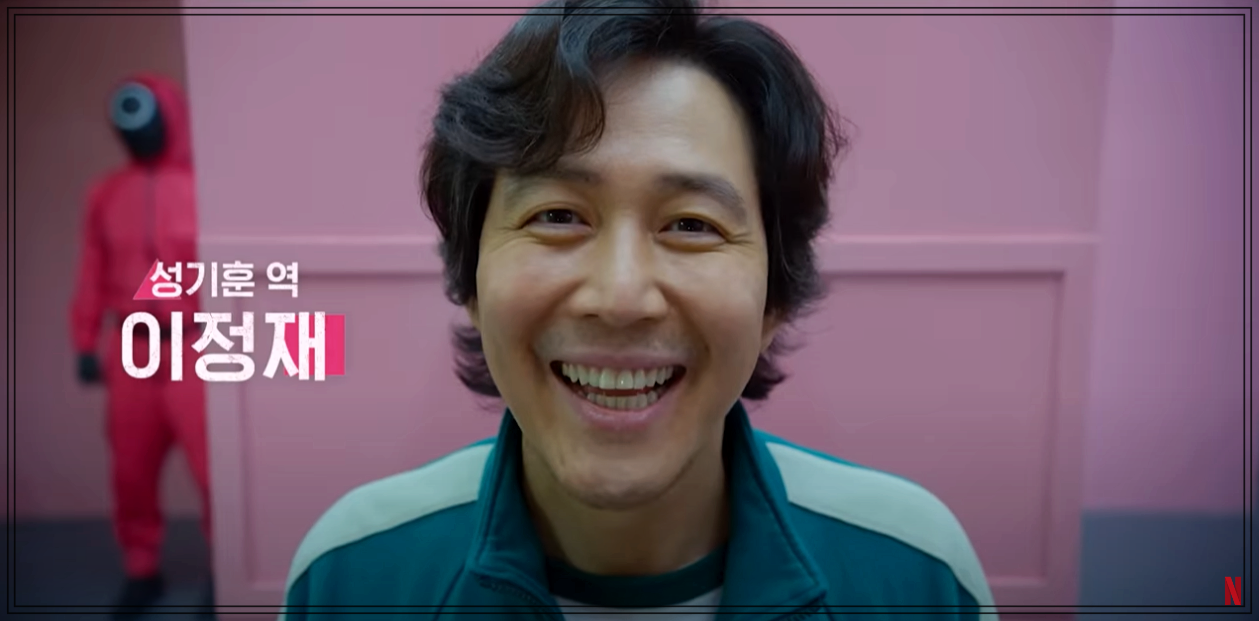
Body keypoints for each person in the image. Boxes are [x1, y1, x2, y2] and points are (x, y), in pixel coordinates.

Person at [281, 1, 997, 619]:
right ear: (471, 276)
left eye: (690, 225)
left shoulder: (917, 574)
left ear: (773, 298)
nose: (621, 297)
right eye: (557, 215)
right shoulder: (351, 574)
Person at [70, 73, 215, 620]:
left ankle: (223, 574)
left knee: (213, 470)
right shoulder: (105, 194)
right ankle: (140, 568)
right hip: (130, 349)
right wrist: (84, 339)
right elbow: (92, 268)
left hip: (193, 347)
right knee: (130, 470)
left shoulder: (203, 190)